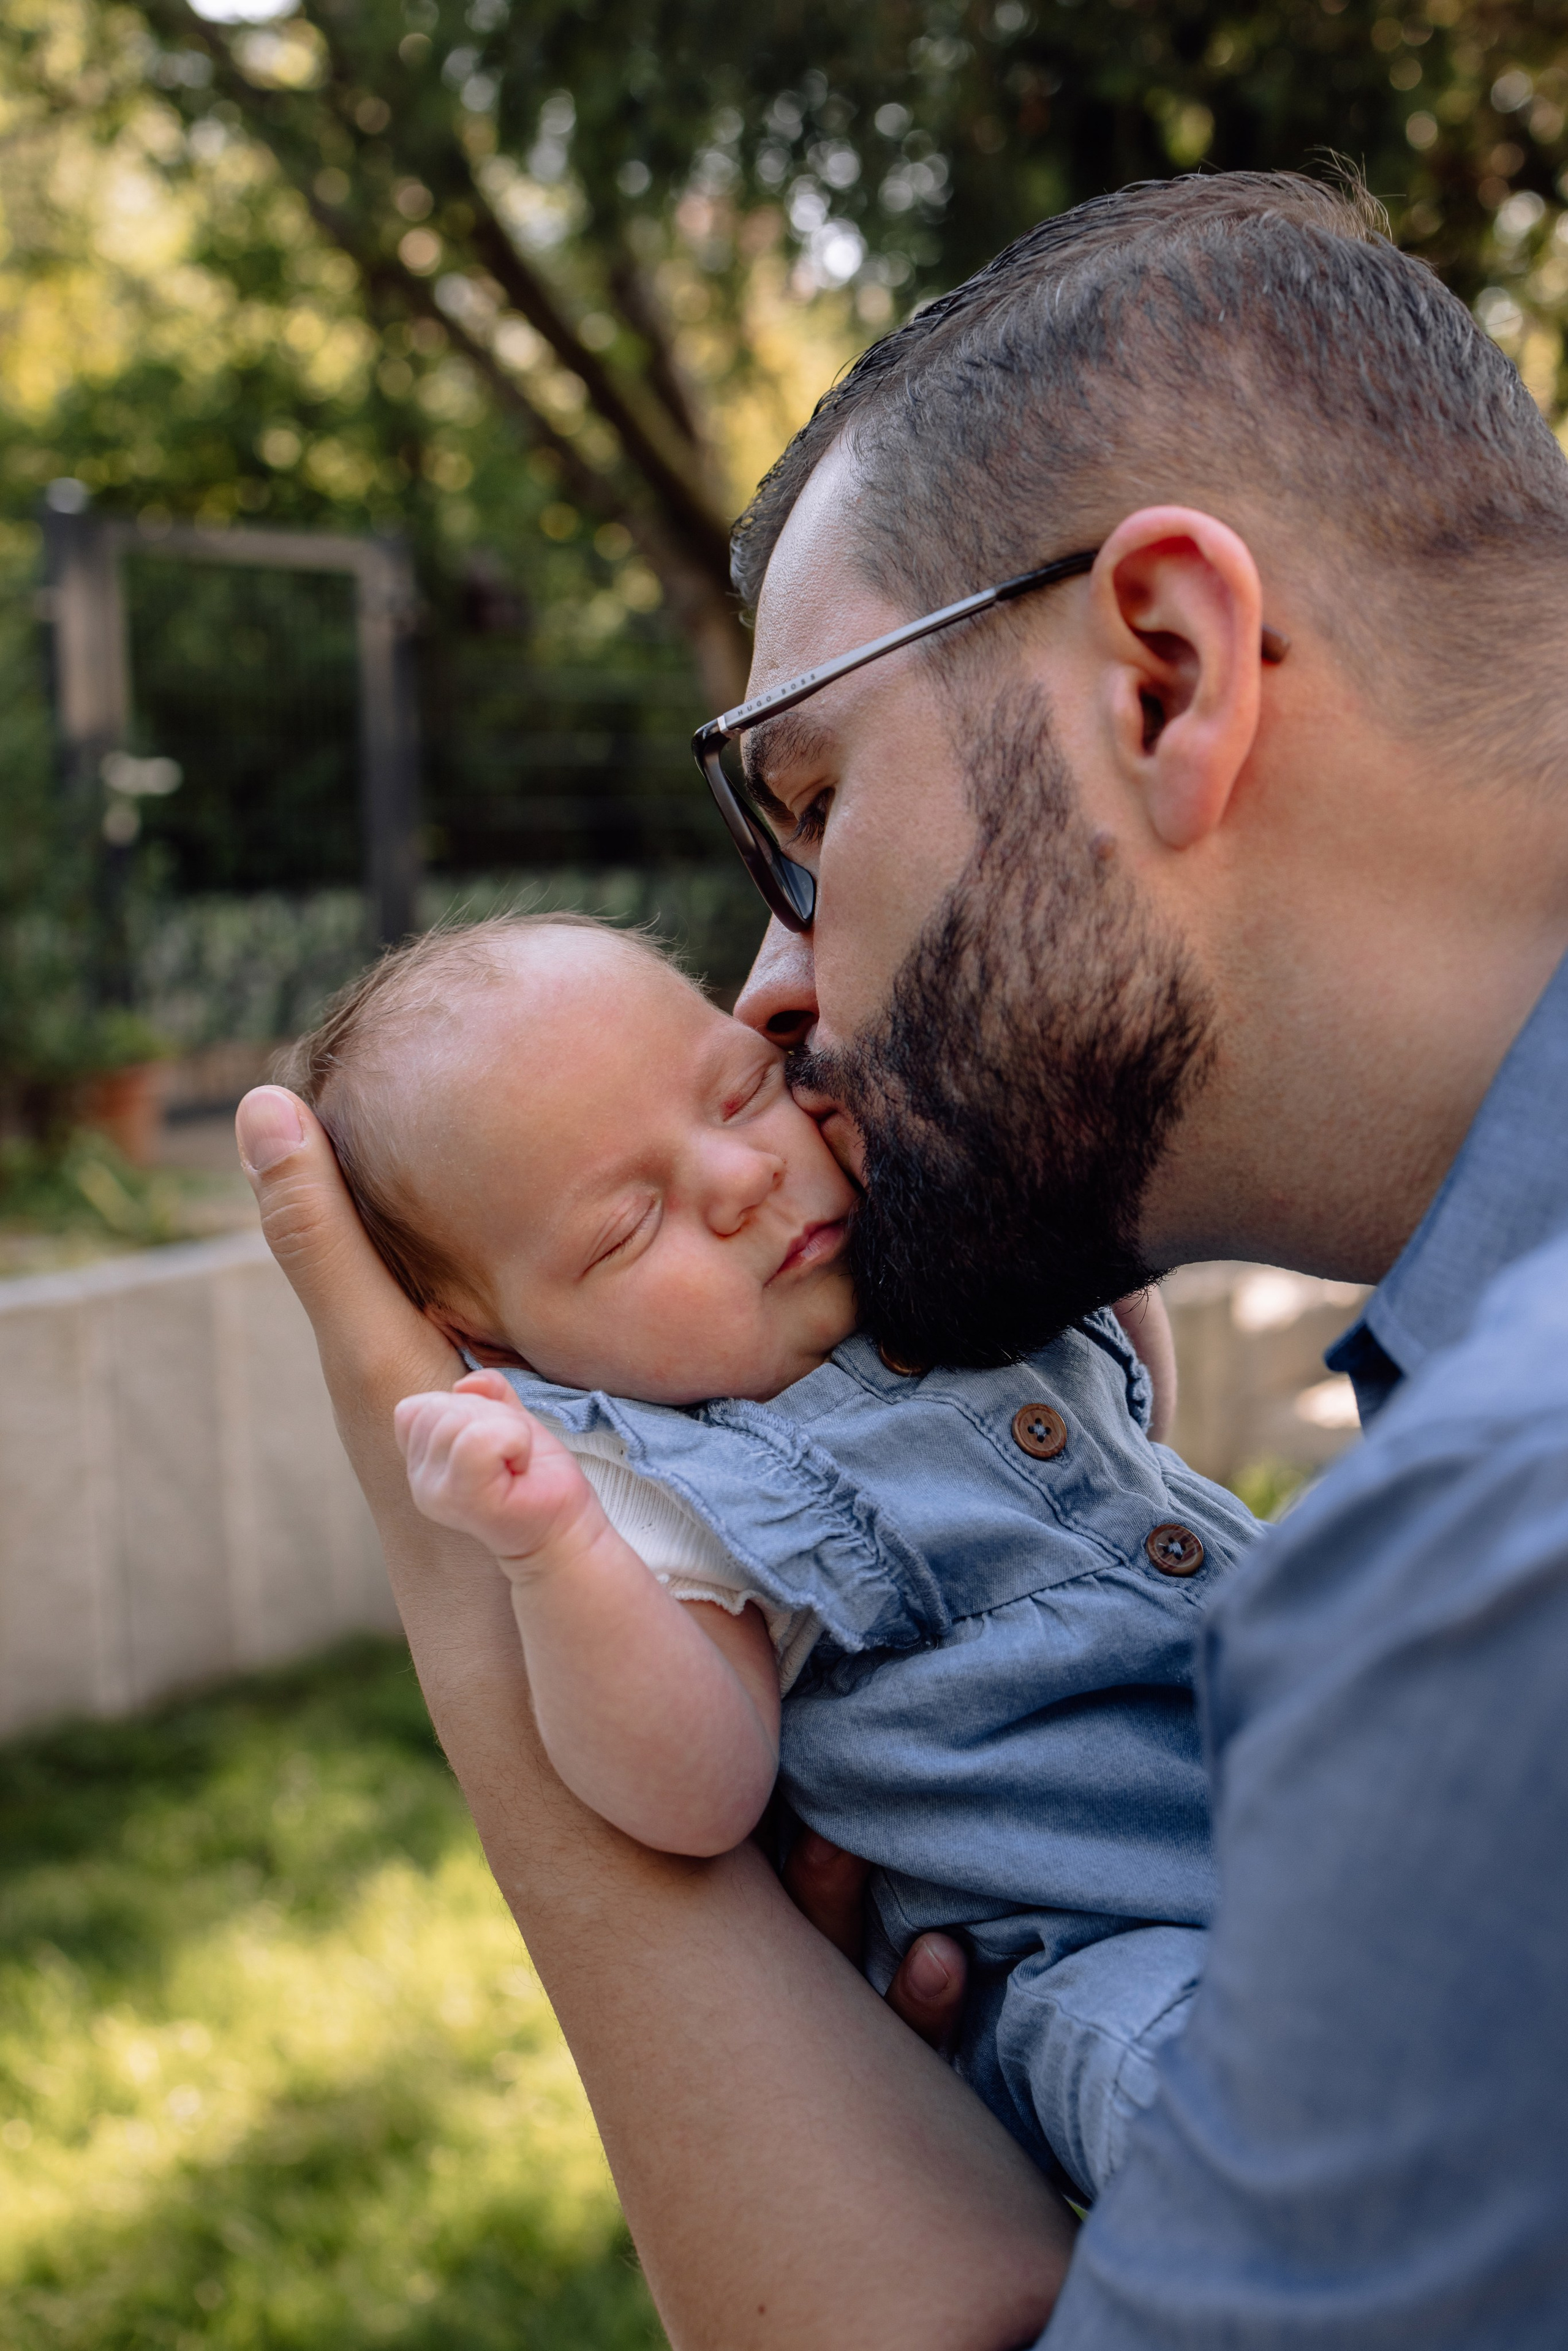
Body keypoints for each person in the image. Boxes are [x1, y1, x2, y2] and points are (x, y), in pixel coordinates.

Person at [236, 166, 1568, 2345]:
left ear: (1162, 674)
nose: (767, 992)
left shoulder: (1492, 1584)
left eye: (814, 802)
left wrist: (509, 1692)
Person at [277, 908, 1256, 2200]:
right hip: (1096, 1948)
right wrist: (555, 1549)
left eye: (739, 1095)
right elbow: (695, 1786)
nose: (739, 1179)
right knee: (1225, 2113)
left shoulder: (920, 1253)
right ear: (502, 1345)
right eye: (628, 1226)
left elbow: (1126, 1412)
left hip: (1321, 1758)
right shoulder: (682, 1475)